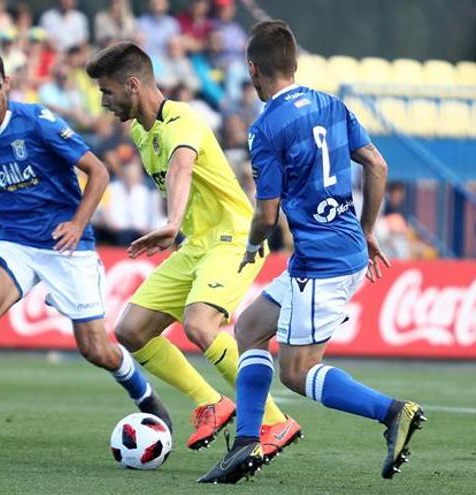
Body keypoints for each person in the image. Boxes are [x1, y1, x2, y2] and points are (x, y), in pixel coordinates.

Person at [199, 20, 424, 484]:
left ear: (253, 70)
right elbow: (377, 166)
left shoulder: (266, 129)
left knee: (298, 372)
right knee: (250, 327)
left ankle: (393, 413)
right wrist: (367, 232)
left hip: (323, 261)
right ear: (295, 65)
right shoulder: (331, 104)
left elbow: (266, 216)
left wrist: (251, 246)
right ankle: (245, 444)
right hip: (333, 250)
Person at [0, 50, 171, 443]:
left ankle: (146, 396)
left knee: (95, 349)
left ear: (6, 83)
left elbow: (99, 172)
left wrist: (77, 223)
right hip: (15, 241)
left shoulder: (36, 121)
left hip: (66, 244)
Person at [85, 41, 300, 459]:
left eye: (108, 91)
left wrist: (170, 222)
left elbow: (182, 166)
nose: (104, 102)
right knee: (130, 331)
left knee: (200, 325)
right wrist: (178, 229)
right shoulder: (139, 133)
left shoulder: (182, 118)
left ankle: (275, 420)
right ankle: (211, 402)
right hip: (196, 244)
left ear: (132, 85)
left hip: (235, 238)